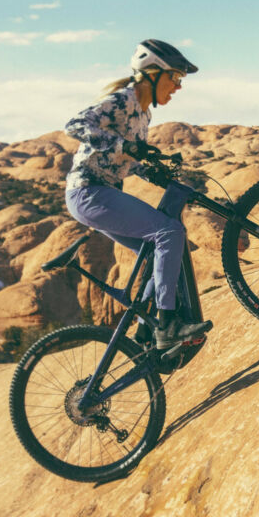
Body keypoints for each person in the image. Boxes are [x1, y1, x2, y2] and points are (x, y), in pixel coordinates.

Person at [62, 39, 212, 349]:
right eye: (176, 77)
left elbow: (125, 160)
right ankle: (168, 322)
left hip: (100, 194)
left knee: (158, 249)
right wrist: (125, 146)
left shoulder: (144, 114)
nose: (178, 87)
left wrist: (151, 169)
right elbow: (75, 125)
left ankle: (146, 331)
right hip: (88, 192)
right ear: (153, 73)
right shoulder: (123, 100)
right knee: (169, 232)